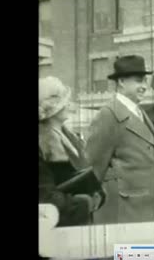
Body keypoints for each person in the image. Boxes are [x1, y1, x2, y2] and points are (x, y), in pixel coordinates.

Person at [86, 55, 154, 224]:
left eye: (145, 81)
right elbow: (92, 171)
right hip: (125, 215)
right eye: (139, 81)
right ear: (121, 81)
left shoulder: (140, 113)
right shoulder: (107, 115)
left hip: (148, 211)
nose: (144, 86)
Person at [38, 76, 104, 226]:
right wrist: (84, 203)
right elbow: (44, 196)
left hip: (82, 223)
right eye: (64, 101)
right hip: (58, 230)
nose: (69, 104)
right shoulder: (41, 144)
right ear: (52, 108)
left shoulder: (69, 137)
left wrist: (97, 193)